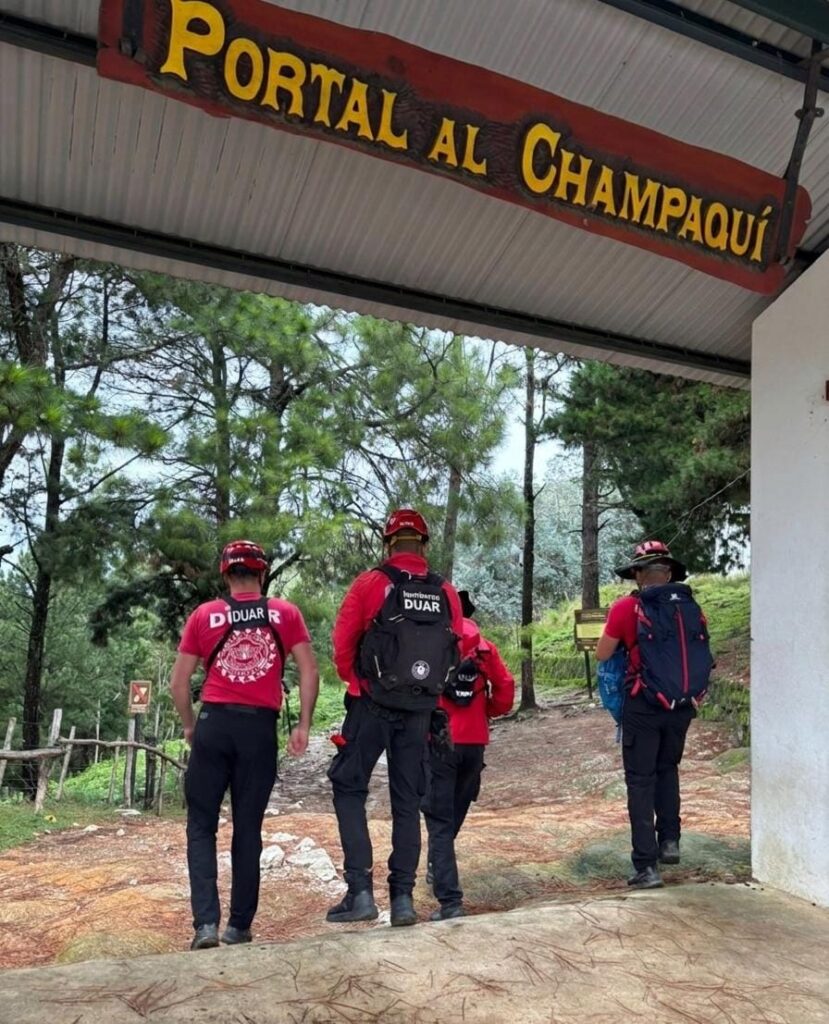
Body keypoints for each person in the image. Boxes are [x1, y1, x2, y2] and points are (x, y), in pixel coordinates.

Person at [171, 539, 319, 950]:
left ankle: (205, 925)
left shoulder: (205, 615)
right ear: (262, 573)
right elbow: (309, 670)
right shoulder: (285, 613)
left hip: (214, 724)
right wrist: (304, 724)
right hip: (259, 729)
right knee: (248, 827)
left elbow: (178, 683)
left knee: (201, 825)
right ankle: (239, 926)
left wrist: (189, 727)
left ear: (226, 575)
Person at [327, 509, 463, 927]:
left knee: (349, 786)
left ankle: (360, 892)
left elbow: (342, 643)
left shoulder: (371, 583)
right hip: (419, 710)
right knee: (407, 800)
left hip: (370, 704)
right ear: (424, 544)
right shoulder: (446, 591)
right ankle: (402, 899)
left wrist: (358, 682)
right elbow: (455, 646)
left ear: (388, 543)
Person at [596, 540, 712, 890]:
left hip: (643, 705)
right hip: (681, 705)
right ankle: (670, 841)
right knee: (667, 770)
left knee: (640, 781)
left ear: (637, 574)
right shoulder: (691, 607)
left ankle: (646, 866)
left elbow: (603, 653)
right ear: (670, 573)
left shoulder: (626, 608)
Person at [423, 590, 515, 920]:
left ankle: (450, 901)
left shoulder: (429, 644)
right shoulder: (485, 648)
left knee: (439, 822)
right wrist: (487, 711)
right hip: (475, 743)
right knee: (453, 814)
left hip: (439, 740)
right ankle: (438, 866)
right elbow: (505, 687)